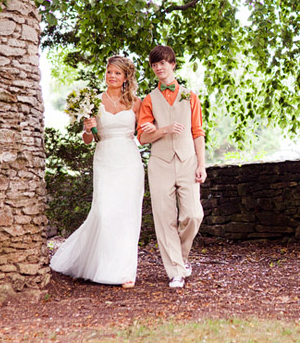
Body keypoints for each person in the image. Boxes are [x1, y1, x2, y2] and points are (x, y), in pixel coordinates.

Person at [50, 55, 145, 288]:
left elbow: (142, 134)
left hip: (129, 160)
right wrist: (88, 129)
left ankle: (124, 272)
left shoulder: (136, 102)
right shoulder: (93, 100)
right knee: (103, 212)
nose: (112, 76)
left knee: (127, 214)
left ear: (125, 77)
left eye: (117, 73)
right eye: (109, 71)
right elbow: (86, 140)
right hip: (104, 158)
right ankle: (96, 265)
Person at [138, 45, 206, 289]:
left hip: (188, 161)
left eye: (163, 63)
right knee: (164, 218)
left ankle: (181, 256)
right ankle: (176, 271)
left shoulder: (190, 96)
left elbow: (198, 132)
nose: (158, 68)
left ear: (173, 64)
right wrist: (163, 130)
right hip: (160, 163)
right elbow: (143, 138)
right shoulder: (149, 100)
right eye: (154, 65)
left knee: (193, 214)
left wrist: (202, 164)